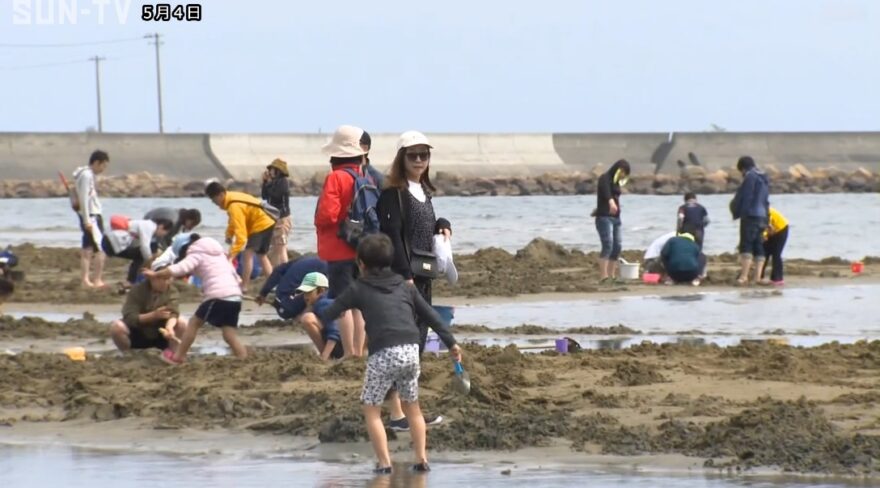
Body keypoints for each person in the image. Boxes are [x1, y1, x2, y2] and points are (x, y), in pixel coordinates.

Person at [317, 234, 461, 474]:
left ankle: (384, 463)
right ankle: (421, 459)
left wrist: (319, 315)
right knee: (412, 406)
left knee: (371, 408)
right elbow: (430, 315)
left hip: (383, 354)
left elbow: (332, 311)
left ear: (360, 263)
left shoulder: (358, 288)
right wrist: (452, 343)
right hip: (411, 350)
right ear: (391, 261)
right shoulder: (406, 287)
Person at [377, 131, 451, 432]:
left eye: (424, 155)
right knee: (404, 346)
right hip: (404, 279)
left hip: (424, 276)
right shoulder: (393, 194)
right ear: (401, 159)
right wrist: (405, 276)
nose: (419, 160)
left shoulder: (423, 190)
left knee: (416, 344)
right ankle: (398, 415)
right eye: (413, 155)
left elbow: (422, 226)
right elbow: (392, 235)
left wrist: (442, 224)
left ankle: (406, 413)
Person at [142, 233, 248, 364]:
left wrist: (155, 274)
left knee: (194, 323)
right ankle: (242, 356)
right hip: (235, 297)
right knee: (228, 332)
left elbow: (179, 268)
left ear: (185, 248)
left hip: (217, 296)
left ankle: (178, 356)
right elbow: (236, 277)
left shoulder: (196, 253)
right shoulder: (220, 255)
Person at [314, 125, 369, 358]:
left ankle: (349, 351)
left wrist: (319, 221)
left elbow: (328, 214)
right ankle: (359, 349)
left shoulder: (336, 178)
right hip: (362, 248)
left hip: (339, 249)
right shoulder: (364, 176)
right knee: (359, 305)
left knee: (342, 303)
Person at [205, 181, 275, 292]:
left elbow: (241, 236)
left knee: (247, 255)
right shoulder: (232, 197)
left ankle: (244, 286)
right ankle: (273, 284)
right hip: (268, 222)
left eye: (214, 200)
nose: (214, 203)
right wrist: (229, 234)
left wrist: (231, 255)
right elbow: (234, 221)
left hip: (260, 225)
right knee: (262, 255)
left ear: (221, 195)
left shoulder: (234, 206)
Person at [109, 261, 186, 353]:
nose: (167, 282)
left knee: (182, 322)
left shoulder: (172, 291)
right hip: (139, 333)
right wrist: (153, 315)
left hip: (161, 334)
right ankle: (128, 354)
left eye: (169, 279)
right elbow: (129, 317)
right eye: (163, 279)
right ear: (151, 278)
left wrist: (169, 328)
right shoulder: (137, 290)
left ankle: (173, 353)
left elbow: (174, 313)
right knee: (117, 327)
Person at [730, 156, 771, 286]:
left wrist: (741, 213)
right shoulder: (764, 177)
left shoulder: (750, 177)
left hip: (750, 215)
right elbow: (766, 200)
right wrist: (767, 218)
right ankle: (757, 277)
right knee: (759, 246)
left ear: (742, 168)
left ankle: (744, 276)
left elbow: (747, 196)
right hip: (762, 216)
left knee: (746, 245)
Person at [101, 218, 174, 289]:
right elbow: (144, 246)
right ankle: (132, 281)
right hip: (112, 243)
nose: (163, 235)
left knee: (144, 253)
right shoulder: (149, 226)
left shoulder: (146, 224)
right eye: (165, 233)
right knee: (144, 253)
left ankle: (132, 280)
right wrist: (150, 261)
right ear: (161, 227)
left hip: (110, 241)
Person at [73, 150, 110, 289]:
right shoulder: (87, 176)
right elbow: (84, 198)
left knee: (87, 248)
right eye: (103, 166)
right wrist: (87, 220)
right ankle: (96, 280)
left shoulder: (83, 174)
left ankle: (86, 280)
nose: (103, 169)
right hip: (92, 216)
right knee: (100, 249)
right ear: (96, 162)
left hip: (89, 215)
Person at [256, 255, 328, 319]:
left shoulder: (306, 258)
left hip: (280, 303)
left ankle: (304, 313)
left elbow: (278, 271)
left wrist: (263, 293)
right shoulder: (328, 267)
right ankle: (305, 314)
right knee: (324, 289)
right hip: (290, 307)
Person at [594, 159, 631, 284]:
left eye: (625, 173)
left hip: (616, 218)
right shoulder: (604, 178)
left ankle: (612, 275)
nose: (623, 175)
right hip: (604, 217)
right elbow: (606, 192)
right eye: (622, 172)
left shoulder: (617, 183)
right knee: (608, 244)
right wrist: (610, 202)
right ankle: (603, 277)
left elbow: (614, 195)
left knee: (617, 246)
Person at [295, 272, 344, 361]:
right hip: (344, 344)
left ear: (321, 290)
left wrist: (324, 357)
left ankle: (326, 357)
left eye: (309, 292)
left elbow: (334, 331)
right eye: (304, 293)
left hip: (340, 345)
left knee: (307, 318)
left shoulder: (323, 304)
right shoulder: (326, 301)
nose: (305, 296)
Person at [262, 158, 292, 267]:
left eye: (272, 169)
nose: (270, 172)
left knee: (280, 246)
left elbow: (276, 195)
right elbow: (265, 196)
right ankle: (276, 269)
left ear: (278, 170)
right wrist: (265, 182)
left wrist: (269, 183)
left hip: (282, 218)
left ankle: (285, 269)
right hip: (273, 218)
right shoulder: (273, 182)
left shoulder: (283, 182)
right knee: (274, 247)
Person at [760, 207, 789, 286]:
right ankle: (759, 275)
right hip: (769, 230)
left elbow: (767, 226)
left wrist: (764, 236)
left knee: (776, 254)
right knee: (764, 254)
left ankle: (777, 278)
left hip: (781, 229)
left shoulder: (763, 210)